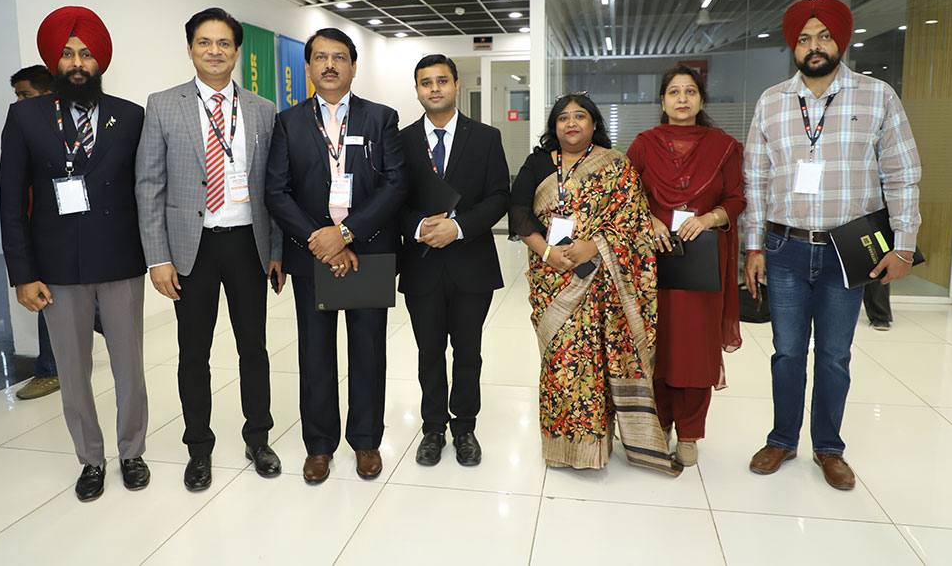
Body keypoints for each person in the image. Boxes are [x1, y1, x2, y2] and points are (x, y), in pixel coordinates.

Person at [743, 0, 921, 490]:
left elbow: (902, 173)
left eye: (823, 36)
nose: (814, 46)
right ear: (793, 46)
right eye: (804, 38)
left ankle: (828, 448)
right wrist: (752, 248)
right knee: (786, 352)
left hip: (849, 249)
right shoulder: (772, 101)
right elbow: (755, 180)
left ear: (840, 40)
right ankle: (782, 439)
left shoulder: (877, 96)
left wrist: (904, 245)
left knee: (835, 355)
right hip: (784, 248)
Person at [0, 7, 150, 501]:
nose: (77, 63)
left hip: (120, 260)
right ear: (54, 61)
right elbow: (11, 201)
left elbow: (147, 190)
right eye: (67, 54)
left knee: (129, 365)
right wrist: (22, 274)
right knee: (72, 369)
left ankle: (132, 451)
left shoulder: (130, 116)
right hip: (57, 266)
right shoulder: (26, 116)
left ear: (100, 60)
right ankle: (91, 458)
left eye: (86, 53)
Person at [135, 8, 283, 492]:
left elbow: (274, 188)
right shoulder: (163, 105)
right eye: (205, 42)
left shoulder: (262, 109)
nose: (214, 51)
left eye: (223, 43)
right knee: (193, 353)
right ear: (190, 48)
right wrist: (158, 258)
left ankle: (258, 438)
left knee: (253, 348)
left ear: (237, 51)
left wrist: (276, 249)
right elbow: (149, 185)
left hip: (247, 244)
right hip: (189, 248)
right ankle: (199, 448)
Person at [508, 92, 679, 475]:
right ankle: (562, 446)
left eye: (580, 116)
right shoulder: (539, 162)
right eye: (563, 117)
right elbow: (518, 212)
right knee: (560, 361)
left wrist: (594, 246)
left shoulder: (616, 165)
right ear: (554, 126)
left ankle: (596, 445)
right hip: (551, 277)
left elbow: (633, 222)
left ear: (594, 123)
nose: (571, 123)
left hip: (603, 280)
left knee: (596, 362)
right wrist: (548, 252)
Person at [265, 27, 405, 483]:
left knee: (368, 352)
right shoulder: (287, 122)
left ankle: (366, 442)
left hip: (368, 249)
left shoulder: (380, 118)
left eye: (339, 57)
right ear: (307, 67)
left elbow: (396, 185)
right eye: (321, 57)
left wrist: (345, 233)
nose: (330, 65)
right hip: (311, 255)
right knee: (315, 355)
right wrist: (320, 239)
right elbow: (276, 191)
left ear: (353, 67)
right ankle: (319, 446)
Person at [627, 65, 745, 468]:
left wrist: (709, 218)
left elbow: (736, 199)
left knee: (695, 348)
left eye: (690, 91)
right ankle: (660, 423)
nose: (682, 99)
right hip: (653, 260)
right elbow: (626, 196)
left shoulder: (724, 146)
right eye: (674, 92)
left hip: (701, 263)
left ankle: (690, 432)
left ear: (701, 99)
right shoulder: (644, 144)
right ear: (662, 101)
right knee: (657, 343)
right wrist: (650, 219)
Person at [398, 54, 510, 467]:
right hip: (421, 263)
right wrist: (418, 226)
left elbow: (499, 196)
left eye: (442, 81)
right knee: (429, 352)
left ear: (457, 85)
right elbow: (392, 198)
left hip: (471, 263)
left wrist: (458, 227)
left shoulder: (486, 137)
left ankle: (464, 427)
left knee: (468, 352)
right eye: (426, 82)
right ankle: (433, 428)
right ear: (417, 90)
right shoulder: (401, 140)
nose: (435, 88)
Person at [9, 65, 60, 401]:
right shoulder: (23, 131)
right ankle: (50, 368)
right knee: (52, 298)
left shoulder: (65, 132)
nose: (19, 103)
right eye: (17, 96)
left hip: (63, 232)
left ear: (48, 94)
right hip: (37, 230)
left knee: (54, 300)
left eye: (25, 95)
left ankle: (50, 370)